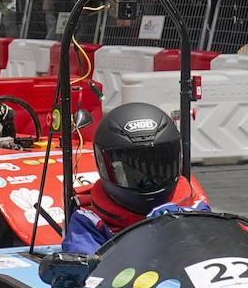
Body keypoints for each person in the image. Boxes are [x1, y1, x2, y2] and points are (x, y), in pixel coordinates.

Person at [62, 104, 208, 253]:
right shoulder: (89, 223)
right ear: (105, 166)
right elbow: (86, 265)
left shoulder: (195, 209)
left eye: (156, 166)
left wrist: (180, 224)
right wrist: (148, 233)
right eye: (136, 172)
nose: (148, 181)